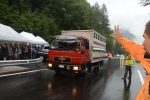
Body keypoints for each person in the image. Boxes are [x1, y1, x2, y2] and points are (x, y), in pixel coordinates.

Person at [110, 20, 150, 100]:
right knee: (129, 72)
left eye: (145, 38)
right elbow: (137, 49)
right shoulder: (147, 55)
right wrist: (121, 39)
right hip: (129, 64)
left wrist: (124, 58)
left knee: (127, 72)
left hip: (128, 64)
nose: (143, 43)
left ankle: (126, 77)